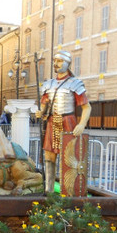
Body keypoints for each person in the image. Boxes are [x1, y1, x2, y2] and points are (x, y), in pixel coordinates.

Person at [35, 50, 91, 194]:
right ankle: (49, 190)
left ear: (68, 63)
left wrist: (81, 124)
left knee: (70, 156)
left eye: (59, 61)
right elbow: (44, 105)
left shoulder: (75, 83)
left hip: (68, 121)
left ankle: (70, 190)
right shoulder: (49, 84)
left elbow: (87, 107)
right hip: (52, 122)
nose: (56, 64)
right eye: (55, 61)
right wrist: (40, 112)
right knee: (49, 156)